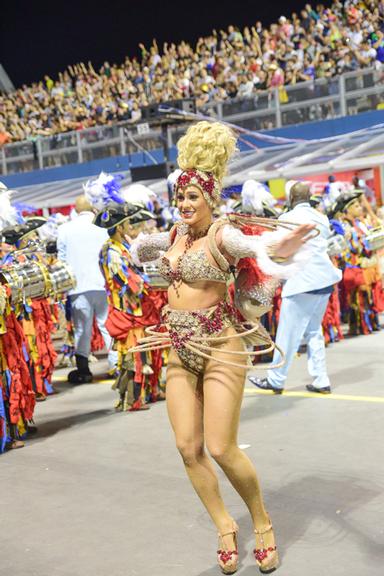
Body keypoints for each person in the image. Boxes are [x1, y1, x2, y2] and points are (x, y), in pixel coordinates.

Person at [128, 121, 313, 574]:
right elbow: (136, 249)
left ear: (211, 199)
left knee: (221, 447)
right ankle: (224, 526)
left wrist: (278, 244)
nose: (184, 204)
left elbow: (253, 245)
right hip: (178, 345)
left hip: (219, 345)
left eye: (193, 197)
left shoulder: (222, 234)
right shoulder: (171, 237)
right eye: (180, 197)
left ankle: (262, 521)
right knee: (187, 448)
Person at [251, 182, 342, 396]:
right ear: (309, 198)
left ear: (291, 199)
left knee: (286, 335)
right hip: (324, 281)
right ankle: (321, 379)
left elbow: (279, 249)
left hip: (303, 283)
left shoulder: (286, 218)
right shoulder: (321, 217)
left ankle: (276, 380)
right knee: (314, 331)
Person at [96, 202, 161, 411]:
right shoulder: (111, 252)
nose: (130, 227)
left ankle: (146, 392)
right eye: (126, 224)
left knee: (142, 351)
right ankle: (132, 399)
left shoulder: (120, 246)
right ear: (119, 227)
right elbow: (126, 280)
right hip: (127, 310)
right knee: (133, 354)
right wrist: (148, 283)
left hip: (136, 309)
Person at [57, 195, 116, 383]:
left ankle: (83, 369)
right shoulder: (101, 226)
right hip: (102, 285)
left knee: (82, 329)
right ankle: (116, 365)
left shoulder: (65, 229)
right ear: (91, 208)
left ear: (75, 209)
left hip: (78, 288)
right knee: (107, 326)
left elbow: (62, 260)